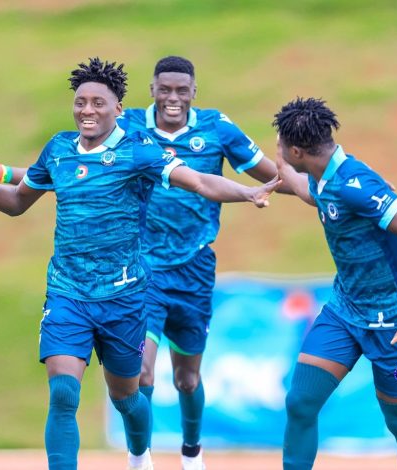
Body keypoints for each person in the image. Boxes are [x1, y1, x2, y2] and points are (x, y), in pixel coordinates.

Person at [0, 57, 279, 470]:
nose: (87, 110)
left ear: (118, 109)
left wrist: (247, 192)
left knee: (128, 396)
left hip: (123, 296)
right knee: (63, 394)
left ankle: (140, 455)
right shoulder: (58, 149)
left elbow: (199, 180)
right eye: (80, 102)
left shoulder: (138, 151)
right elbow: (17, 203)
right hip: (68, 292)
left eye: (98, 103)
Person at [117, 56, 285, 470]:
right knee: (141, 373)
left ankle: (192, 451)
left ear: (194, 92)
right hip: (142, 268)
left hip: (194, 270)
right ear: (152, 90)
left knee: (186, 378)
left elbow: (271, 175)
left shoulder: (217, 128)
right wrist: (8, 175)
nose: (172, 98)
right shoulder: (128, 126)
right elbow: (75, 162)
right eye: (164, 89)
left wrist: (323, 188)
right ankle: (139, 456)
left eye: (181, 90)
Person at [273, 97, 397, 470]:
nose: (279, 149)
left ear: (297, 151)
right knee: (300, 403)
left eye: (282, 145)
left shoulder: (353, 184)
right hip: (345, 312)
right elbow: (301, 187)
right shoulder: (324, 177)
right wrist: (261, 166)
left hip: (394, 322)